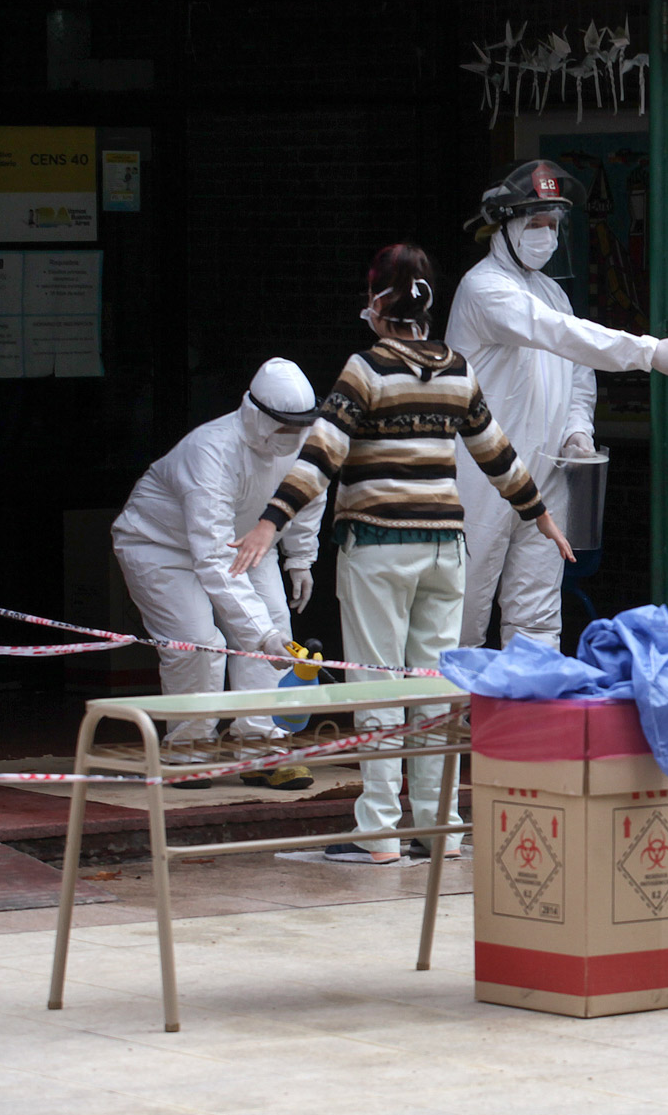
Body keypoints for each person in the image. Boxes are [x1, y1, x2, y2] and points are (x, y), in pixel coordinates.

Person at [232, 243, 574, 864]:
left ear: (378, 302)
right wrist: (542, 516)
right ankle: (441, 826)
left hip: (378, 548)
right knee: (436, 689)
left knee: (379, 688)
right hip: (447, 550)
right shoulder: (457, 369)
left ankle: (380, 833)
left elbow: (321, 456)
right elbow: (498, 454)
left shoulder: (364, 369)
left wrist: (267, 523)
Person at [447, 160, 668, 652]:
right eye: (535, 223)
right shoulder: (483, 288)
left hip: (546, 474)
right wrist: (648, 351)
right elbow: (557, 334)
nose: (545, 235)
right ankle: (445, 727)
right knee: (461, 613)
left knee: (538, 619)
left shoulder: (551, 292)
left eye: (553, 225)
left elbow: (577, 371)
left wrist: (577, 431)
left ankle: (528, 726)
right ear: (502, 227)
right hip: (481, 479)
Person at [111, 358, 325, 785]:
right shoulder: (211, 449)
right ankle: (189, 750)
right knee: (197, 643)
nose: (293, 434)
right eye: (285, 424)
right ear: (257, 414)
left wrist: (300, 558)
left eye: (300, 423)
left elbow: (305, 496)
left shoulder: (306, 443)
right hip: (159, 545)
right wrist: (258, 633)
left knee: (277, 628)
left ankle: (262, 745)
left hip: (248, 540)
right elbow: (211, 554)